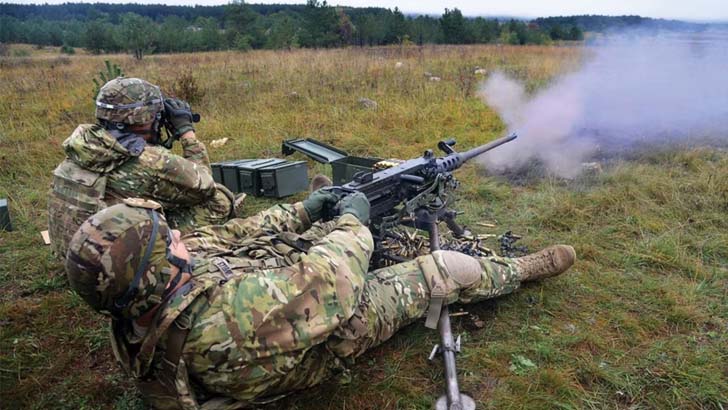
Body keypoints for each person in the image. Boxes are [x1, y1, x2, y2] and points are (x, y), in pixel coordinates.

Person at [65, 190, 576, 409]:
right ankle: (520, 271)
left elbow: (231, 234)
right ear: (156, 269)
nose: (179, 238)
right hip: (324, 331)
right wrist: (352, 220)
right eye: (166, 238)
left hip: (282, 303)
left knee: (289, 241)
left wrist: (306, 210)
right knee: (440, 270)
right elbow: (332, 280)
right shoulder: (223, 324)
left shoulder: (147, 290)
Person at [48, 77, 236, 258]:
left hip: (75, 258)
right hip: (110, 271)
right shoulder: (149, 161)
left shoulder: (84, 145)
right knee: (219, 200)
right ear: (145, 117)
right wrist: (187, 133)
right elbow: (205, 185)